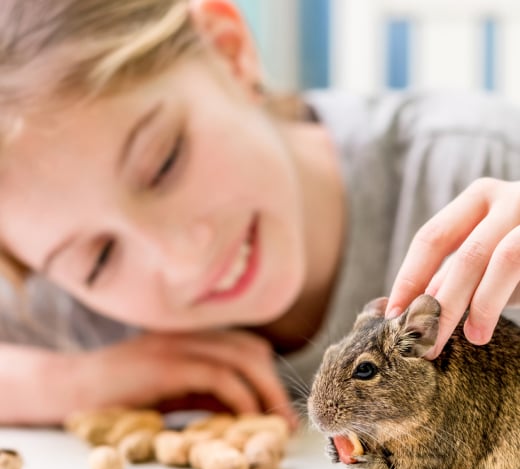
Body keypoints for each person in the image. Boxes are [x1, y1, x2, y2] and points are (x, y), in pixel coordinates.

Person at [0, 0, 519, 427]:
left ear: (229, 51)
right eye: (100, 260)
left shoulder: (484, 159)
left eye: (165, 163)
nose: (183, 259)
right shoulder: (71, 312)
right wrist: (75, 383)